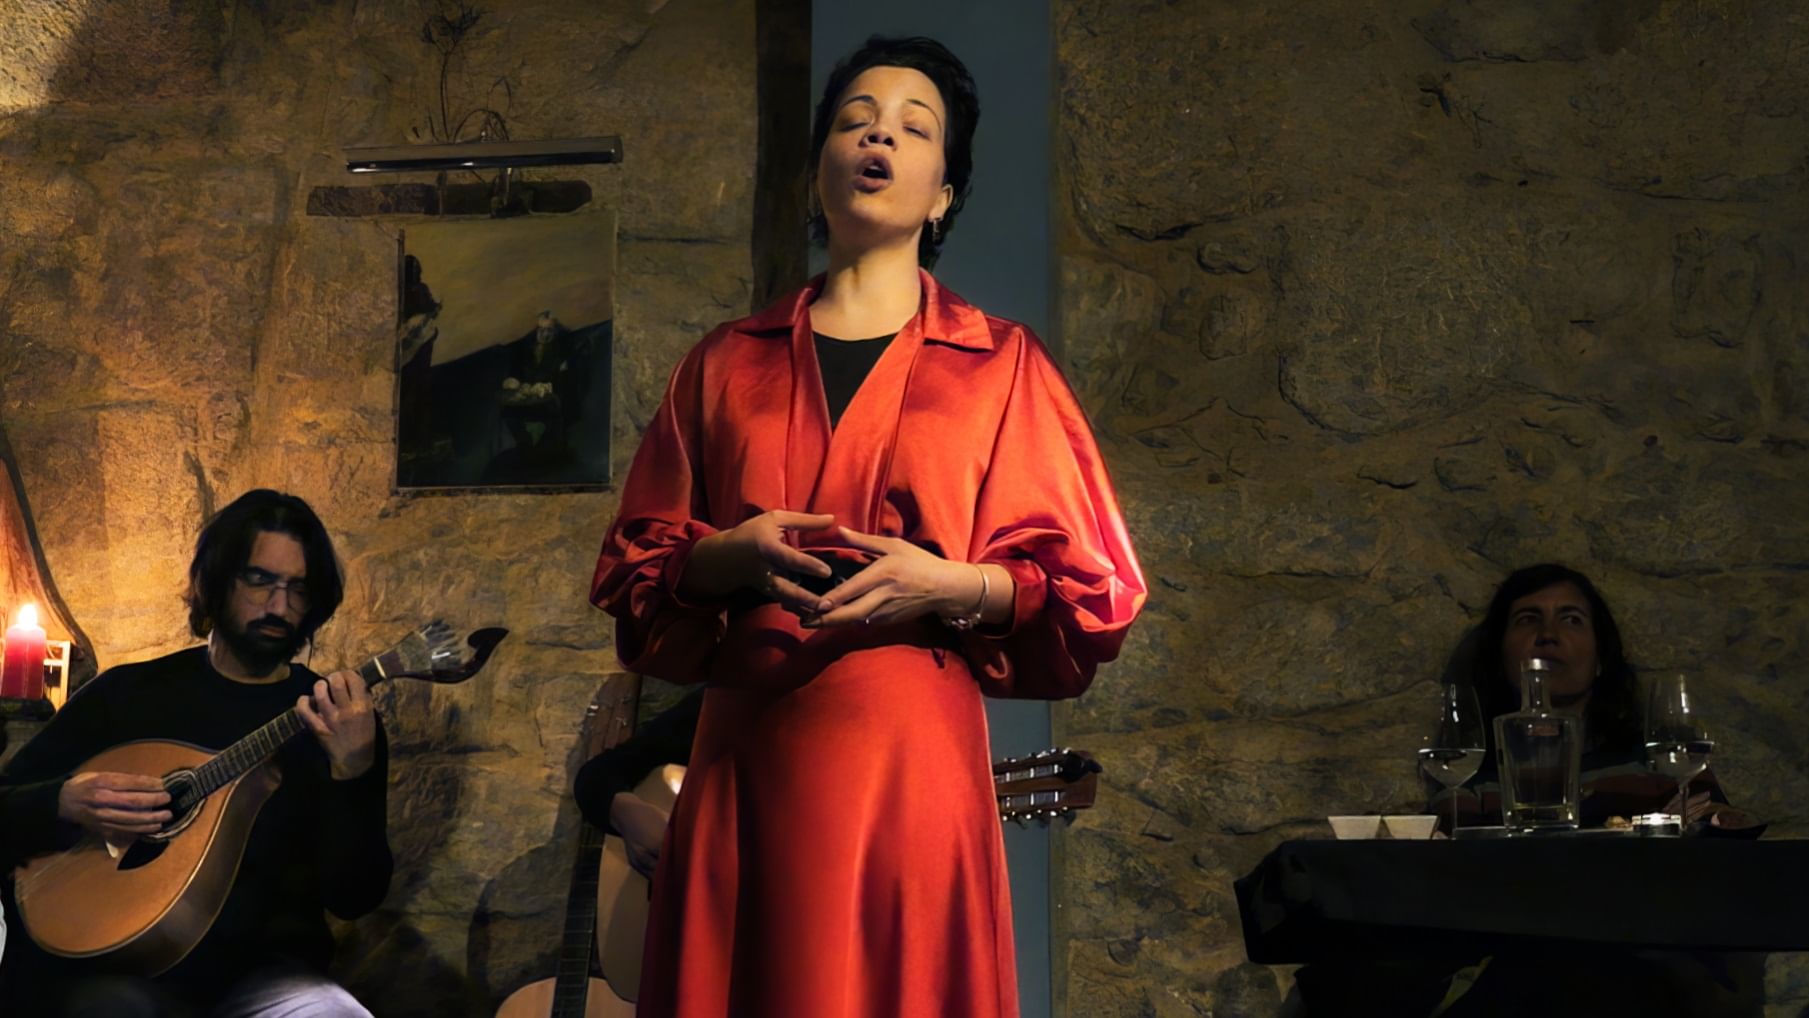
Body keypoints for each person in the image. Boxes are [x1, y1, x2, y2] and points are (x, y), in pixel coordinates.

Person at [589, 35, 1145, 1018]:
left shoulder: (1002, 366)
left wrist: (952, 584)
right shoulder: (723, 364)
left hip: (910, 757)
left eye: (911, 125)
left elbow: (1090, 591)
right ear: (820, 170)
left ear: (942, 194)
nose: (878, 133)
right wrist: (728, 555)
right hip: (750, 750)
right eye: (855, 119)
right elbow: (639, 573)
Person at [0, 489, 391, 1017]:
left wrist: (354, 771)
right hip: (117, 968)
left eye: (298, 588)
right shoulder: (127, 695)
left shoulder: (337, 720)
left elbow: (355, 896)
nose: (279, 606)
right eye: (259, 580)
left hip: (265, 978)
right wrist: (62, 801)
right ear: (216, 579)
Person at [1438, 562, 1761, 834]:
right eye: (1527, 619)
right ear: (1499, 653)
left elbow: (1716, 831)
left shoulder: (1656, 760)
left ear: (1601, 658)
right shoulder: (1471, 771)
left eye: (1571, 619)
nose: (1548, 635)